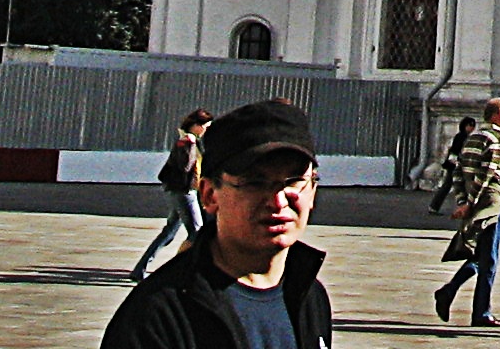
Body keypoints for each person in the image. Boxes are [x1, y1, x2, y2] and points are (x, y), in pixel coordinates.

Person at [102, 96, 332, 349]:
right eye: (255, 182)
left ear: (313, 189)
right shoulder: (158, 317)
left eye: (293, 181)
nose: (278, 201)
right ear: (210, 195)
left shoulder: (310, 297)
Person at [435, 98, 500, 325]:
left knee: (480, 256)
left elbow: (458, 172)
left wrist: (463, 200)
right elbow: (487, 174)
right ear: (495, 116)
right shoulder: (496, 140)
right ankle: (479, 312)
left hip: (475, 205)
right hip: (490, 205)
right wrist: (470, 202)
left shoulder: (473, 138)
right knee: (489, 260)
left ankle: (450, 293)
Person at [133, 110, 213, 282]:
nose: (207, 130)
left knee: (169, 232)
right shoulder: (187, 141)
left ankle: (140, 268)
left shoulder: (190, 140)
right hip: (184, 192)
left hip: (179, 191)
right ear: (197, 126)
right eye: (205, 126)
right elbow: (185, 167)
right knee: (197, 231)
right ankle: (183, 270)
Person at [429, 116, 477, 215]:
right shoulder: (462, 137)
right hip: (456, 164)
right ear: (465, 126)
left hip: (455, 163)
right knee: (449, 185)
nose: (472, 128)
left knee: (451, 185)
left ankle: (435, 206)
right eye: (470, 125)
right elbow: (457, 151)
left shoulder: (462, 136)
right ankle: (434, 206)